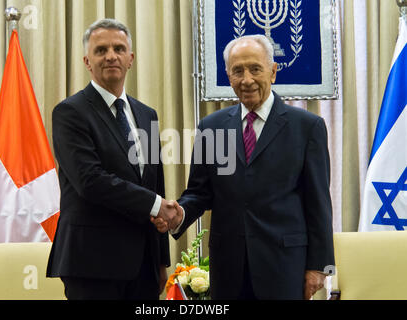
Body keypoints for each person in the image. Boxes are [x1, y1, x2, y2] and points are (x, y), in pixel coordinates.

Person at [153, 35, 334, 300]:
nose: (246, 79)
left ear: (272, 72)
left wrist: (320, 267)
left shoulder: (307, 127)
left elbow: (318, 202)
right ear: (228, 76)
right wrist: (179, 213)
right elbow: (200, 192)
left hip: (285, 266)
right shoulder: (210, 127)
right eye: (238, 71)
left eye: (255, 69)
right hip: (229, 269)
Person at [46, 18, 179, 300]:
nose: (110, 56)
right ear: (87, 61)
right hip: (91, 264)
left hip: (144, 265)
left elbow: (156, 186)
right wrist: (157, 206)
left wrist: (161, 261)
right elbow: (90, 181)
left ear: (130, 59)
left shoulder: (147, 115)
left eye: (119, 48)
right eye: (101, 50)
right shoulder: (70, 113)